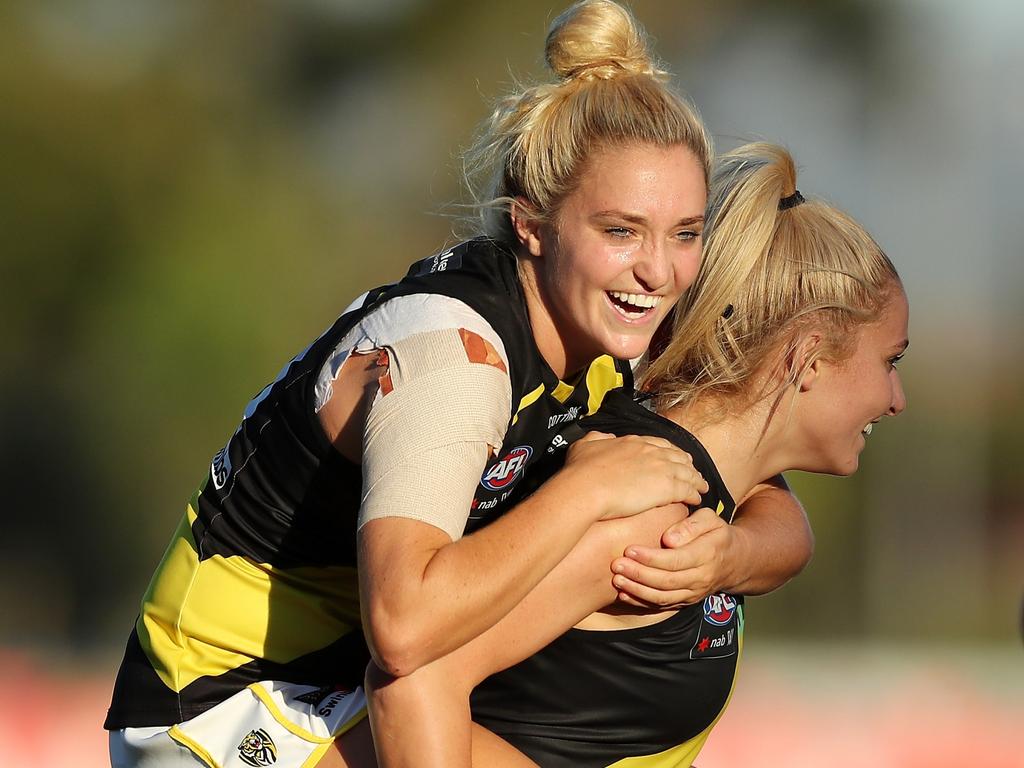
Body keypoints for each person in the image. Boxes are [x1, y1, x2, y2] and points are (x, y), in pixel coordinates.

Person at [103, 1, 812, 766]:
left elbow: (766, 492)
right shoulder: (455, 356)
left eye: (685, 234)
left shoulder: (614, 328)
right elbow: (403, 630)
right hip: (217, 715)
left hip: (336, 695)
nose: (659, 271)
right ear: (532, 225)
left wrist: (728, 555)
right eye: (620, 231)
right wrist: (586, 494)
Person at [360, 141, 909, 768]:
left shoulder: (707, 486)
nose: (897, 398)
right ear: (808, 357)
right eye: (891, 361)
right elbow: (412, 678)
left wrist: (738, 554)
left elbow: (786, 534)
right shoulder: (646, 518)